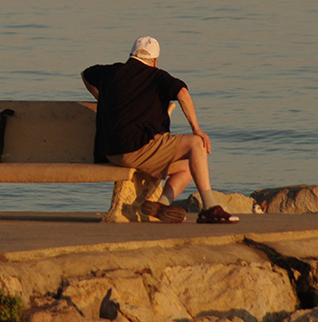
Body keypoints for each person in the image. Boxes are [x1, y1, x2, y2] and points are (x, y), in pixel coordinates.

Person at [81, 36, 239, 224]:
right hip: (138, 149)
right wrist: (196, 128)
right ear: (155, 61)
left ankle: (161, 204)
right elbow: (182, 92)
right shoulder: (157, 77)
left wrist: (102, 98)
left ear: (132, 55)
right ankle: (210, 208)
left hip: (111, 153)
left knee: (190, 166)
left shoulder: (110, 72)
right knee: (197, 144)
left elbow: (85, 74)